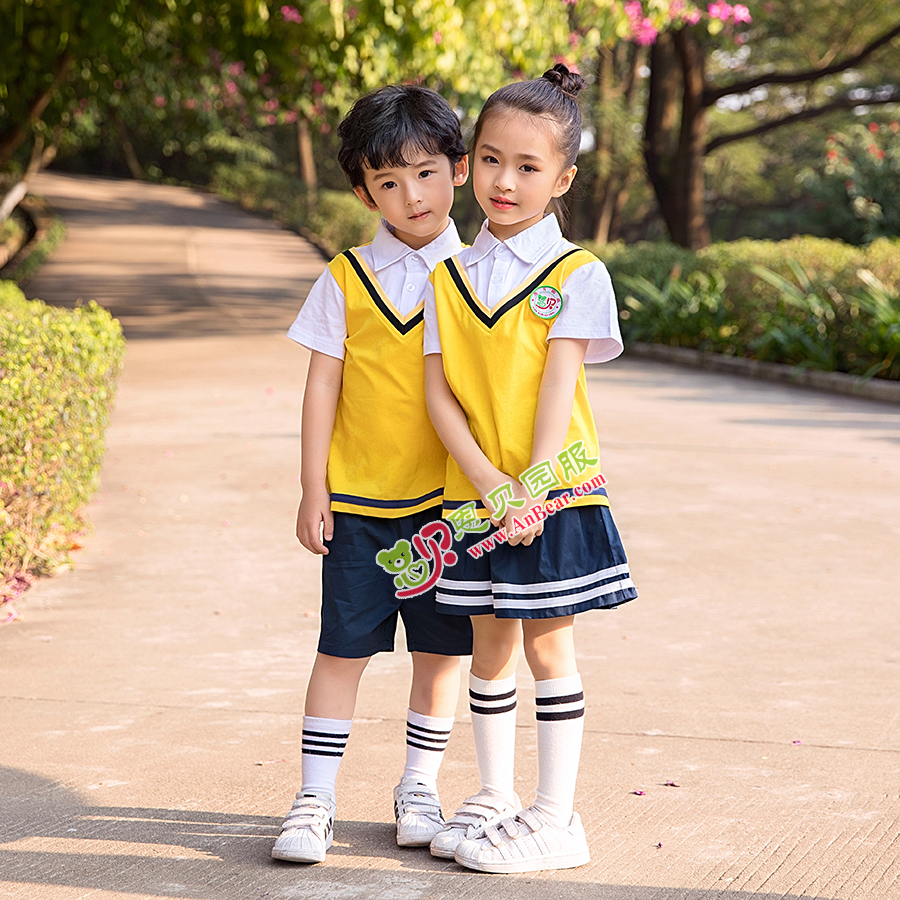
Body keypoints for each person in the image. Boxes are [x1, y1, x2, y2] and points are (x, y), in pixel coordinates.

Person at [422, 64, 637, 874]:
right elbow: (441, 399)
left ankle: (557, 818)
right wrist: (488, 484)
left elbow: (557, 389)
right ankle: (498, 797)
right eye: (487, 159)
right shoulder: (448, 277)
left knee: (550, 650)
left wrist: (531, 491)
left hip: (552, 496)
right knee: (488, 645)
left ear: (564, 179)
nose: (502, 181)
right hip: (475, 497)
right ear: (468, 161)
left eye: (527, 166)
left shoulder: (576, 275)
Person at [272, 84, 473, 865]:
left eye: (425, 173)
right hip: (357, 503)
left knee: (440, 653)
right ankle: (314, 798)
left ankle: (419, 785)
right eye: (388, 182)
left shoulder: (482, 275)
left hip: (449, 508)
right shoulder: (346, 277)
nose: (410, 195)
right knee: (342, 650)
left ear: (458, 170)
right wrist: (312, 488)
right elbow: (322, 383)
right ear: (363, 191)